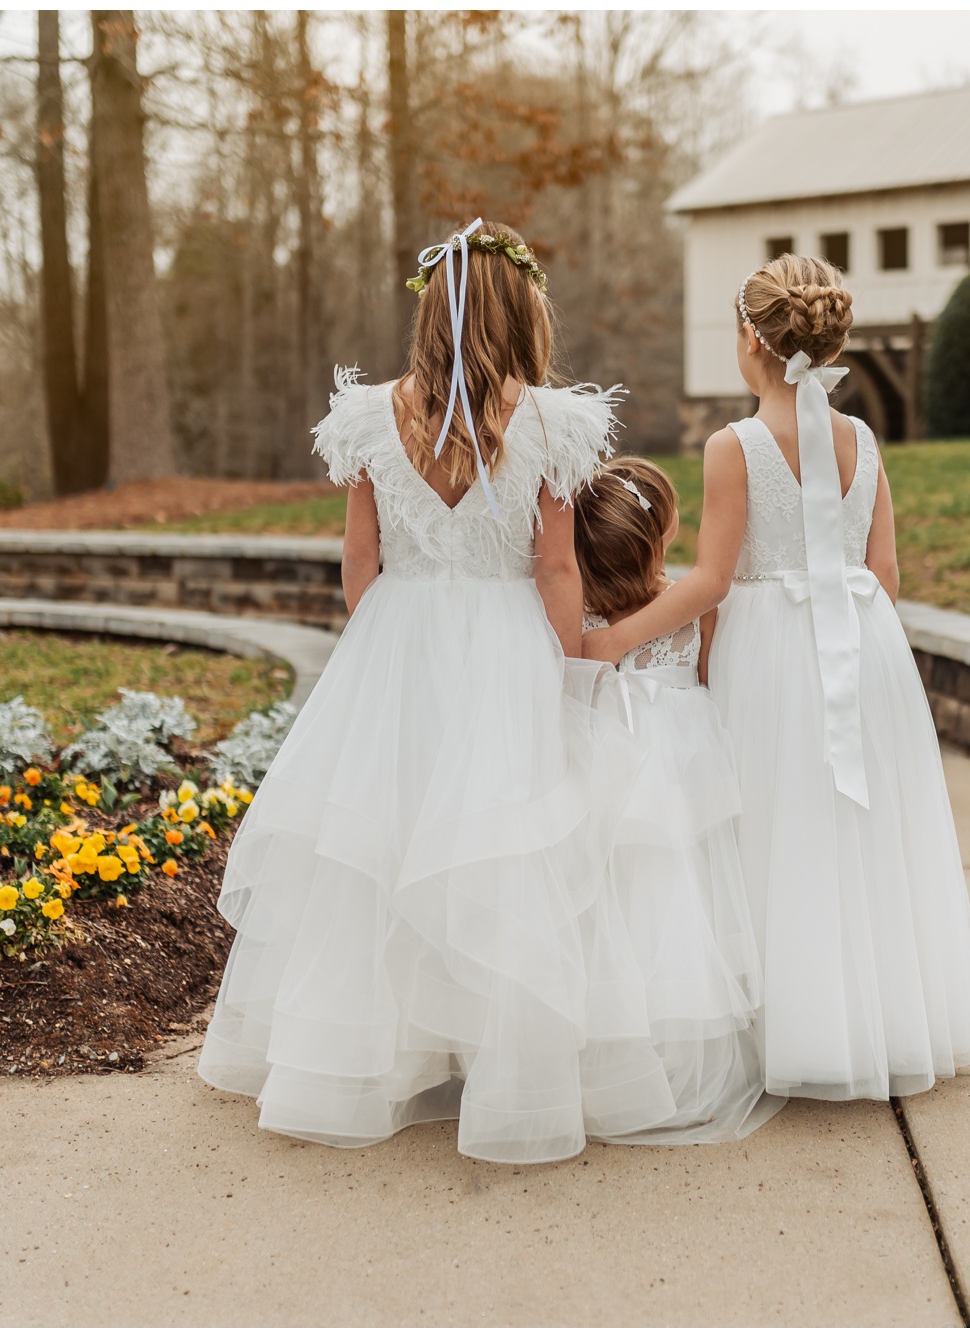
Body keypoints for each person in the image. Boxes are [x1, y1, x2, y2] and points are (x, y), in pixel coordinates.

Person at [199, 220, 682, 1164]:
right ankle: (505, 1068)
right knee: (501, 845)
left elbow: (358, 556)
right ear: (524, 314)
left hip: (398, 633)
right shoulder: (549, 423)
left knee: (386, 843)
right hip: (507, 642)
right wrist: (568, 666)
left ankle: (368, 1060)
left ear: (431, 310)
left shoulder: (372, 417)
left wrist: (383, 643)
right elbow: (552, 567)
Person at [584, 255, 970, 1101]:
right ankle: (876, 1017)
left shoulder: (732, 446)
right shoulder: (866, 440)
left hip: (772, 649)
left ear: (748, 339)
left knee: (774, 827)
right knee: (860, 828)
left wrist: (613, 640)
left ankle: (787, 1025)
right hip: (863, 641)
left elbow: (710, 581)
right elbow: (885, 573)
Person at [572, 458, 783, 1143]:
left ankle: (602, 1061)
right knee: (681, 903)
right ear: (660, 538)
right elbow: (715, 678)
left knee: (607, 905)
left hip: (606, 767)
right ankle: (680, 1066)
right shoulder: (697, 607)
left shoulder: (579, 620)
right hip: (682, 770)